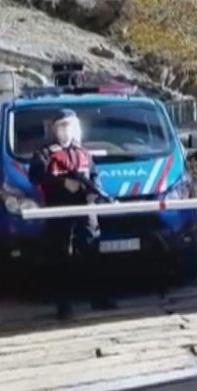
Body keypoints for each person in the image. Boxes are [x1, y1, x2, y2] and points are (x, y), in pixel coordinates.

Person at [28, 109, 116, 319]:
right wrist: (61, 182)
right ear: (55, 129)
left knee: (92, 253)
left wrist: (93, 191)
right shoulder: (44, 153)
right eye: (62, 126)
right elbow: (35, 176)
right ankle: (63, 305)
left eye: (70, 125)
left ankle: (99, 299)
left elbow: (94, 175)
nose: (66, 130)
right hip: (60, 210)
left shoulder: (82, 152)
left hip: (86, 210)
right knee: (61, 257)